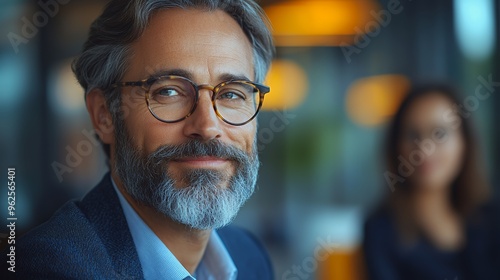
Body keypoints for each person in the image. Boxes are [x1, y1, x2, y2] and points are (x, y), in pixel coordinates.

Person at [1, 0, 275, 279]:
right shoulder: (49, 268)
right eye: (168, 91)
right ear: (104, 114)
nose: (207, 126)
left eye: (232, 94)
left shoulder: (249, 255)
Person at [363, 84, 500, 280]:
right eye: (412, 135)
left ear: (465, 143)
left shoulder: (491, 218)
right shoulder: (381, 229)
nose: (424, 149)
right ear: (396, 147)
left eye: (440, 134)